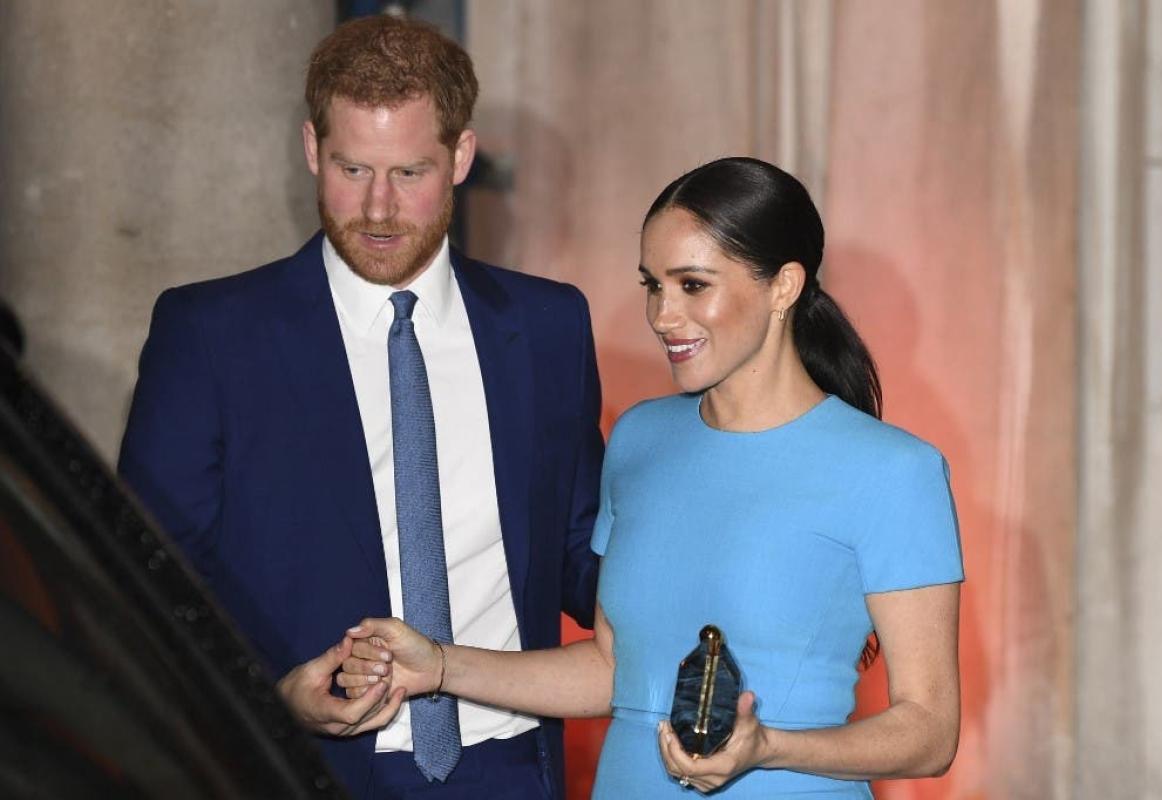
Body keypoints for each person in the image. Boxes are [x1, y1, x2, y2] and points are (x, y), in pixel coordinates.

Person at [339, 157, 964, 797]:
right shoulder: (640, 439)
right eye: (653, 285)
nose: (663, 315)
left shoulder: (894, 471)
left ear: (784, 286)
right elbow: (614, 670)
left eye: (692, 285)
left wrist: (770, 748)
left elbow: (930, 730)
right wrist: (439, 666)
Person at [118, 15, 602, 800]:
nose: (377, 208)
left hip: (508, 766)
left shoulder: (547, 326)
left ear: (460, 158)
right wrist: (273, 698)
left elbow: (579, 548)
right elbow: (149, 580)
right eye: (352, 169)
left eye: (409, 172)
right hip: (299, 768)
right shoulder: (210, 335)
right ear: (312, 148)